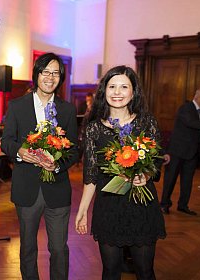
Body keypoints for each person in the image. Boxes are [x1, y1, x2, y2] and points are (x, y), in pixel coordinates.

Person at [75, 65, 166, 280]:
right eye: (112, 86)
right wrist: (82, 210)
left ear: (133, 92)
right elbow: (91, 174)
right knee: (110, 271)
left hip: (141, 207)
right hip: (109, 206)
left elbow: (156, 162)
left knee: (145, 271)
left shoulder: (147, 123)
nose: (117, 92)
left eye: (124, 86)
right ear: (104, 91)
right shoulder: (94, 128)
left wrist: (145, 175)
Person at [1, 52, 79, 279]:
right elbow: (6, 141)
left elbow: (73, 150)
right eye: (46, 72)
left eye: (56, 73)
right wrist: (20, 152)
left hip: (57, 188)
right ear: (36, 75)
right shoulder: (17, 106)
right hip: (27, 189)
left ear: (60, 78)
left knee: (58, 249)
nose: (50, 77)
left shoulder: (68, 110)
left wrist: (56, 165)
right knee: (27, 249)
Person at [160, 87, 200, 215]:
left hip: (192, 152)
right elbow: (192, 123)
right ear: (198, 97)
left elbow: (198, 131)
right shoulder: (185, 108)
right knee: (170, 179)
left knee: (187, 181)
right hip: (177, 151)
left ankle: (183, 205)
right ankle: (164, 204)